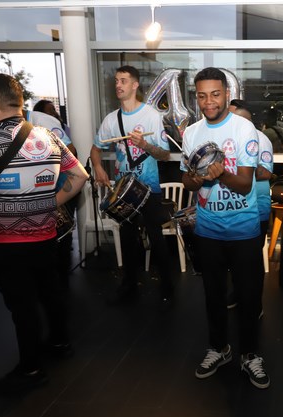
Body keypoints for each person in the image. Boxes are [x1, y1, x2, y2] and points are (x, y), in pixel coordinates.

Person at [0, 73, 89, 395]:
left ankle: (30, 369)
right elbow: (80, 176)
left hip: (7, 244)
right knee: (50, 293)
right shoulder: (48, 136)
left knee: (22, 306)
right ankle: (60, 343)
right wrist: (48, 203)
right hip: (46, 238)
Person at [181, 67, 269, 389]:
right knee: (213, 296)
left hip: (244, 230)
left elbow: (245, 184)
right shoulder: (191, 133)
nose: (209, 101)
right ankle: (219, 349)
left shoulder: (244, 128)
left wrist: (220, 174)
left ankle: (250, 355)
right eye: (202, 95)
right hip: (208, 231)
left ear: (227, 94)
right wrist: (197, 177)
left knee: (249, 298)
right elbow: (186, 179)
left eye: (215, 94)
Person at [90, 65, 175, 304]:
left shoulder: (151, 116)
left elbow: (164, 155)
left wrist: (145, 145)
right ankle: (129, 283)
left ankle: (167, 285)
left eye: (123, 81)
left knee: (156, 237)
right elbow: (96, 149)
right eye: (116, 80)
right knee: (127, 238)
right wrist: (98, 167)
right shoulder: (111, 119)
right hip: (123, 189)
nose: (118, 85)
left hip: (148, 188)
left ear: (135, 85)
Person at [227, 99, 273, 313]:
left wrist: (242, 168)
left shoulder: (261, 139)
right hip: (234, 207)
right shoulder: (228, 138)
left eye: (233, 117)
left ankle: (255, 305)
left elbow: (266, 173)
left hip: (257, 209)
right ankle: (238, 294)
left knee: (252, 261)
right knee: (235, 259)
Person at [32, 100, 79, 290]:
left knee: (64, 230)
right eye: (49, 110)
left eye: (54, 110)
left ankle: (62, 274)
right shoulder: (37, 128)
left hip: (65, 187)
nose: (53, 113)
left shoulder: (59, 127)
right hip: (47, 189)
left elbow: (71, 151)